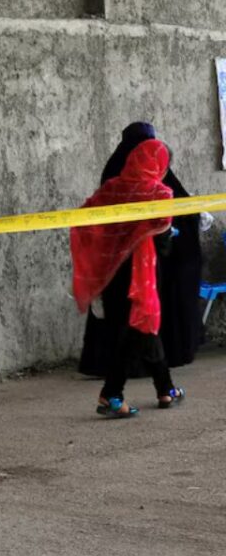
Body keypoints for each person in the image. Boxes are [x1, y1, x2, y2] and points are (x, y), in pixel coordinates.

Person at [79, 122, 205, 378]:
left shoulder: (115, 174)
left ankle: (127, 381)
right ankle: (154, 382)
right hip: (144, 262)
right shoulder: (155, 182)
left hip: (115, 258)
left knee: (126, 316)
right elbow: (171, 220)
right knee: (144, 315)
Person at [71, 139, 186, 418]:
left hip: (111, 272)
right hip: (141, 274)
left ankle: (165, 389)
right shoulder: (160, 193)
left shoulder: (111, 188)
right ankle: (112, 394)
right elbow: (163, 244)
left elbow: (86, 217)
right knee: (138, 329)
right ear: (160, 166)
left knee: (139, 329)